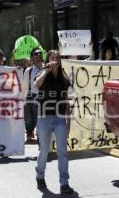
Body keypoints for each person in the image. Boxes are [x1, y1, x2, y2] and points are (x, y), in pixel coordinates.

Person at [34, 50, 74, 195]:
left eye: (57, 58)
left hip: (59, 117)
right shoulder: (43, 72)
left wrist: (68, 121)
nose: (55, 60)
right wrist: (47, 70)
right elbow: (37, 84)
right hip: (44, 117)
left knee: (62, 152)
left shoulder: (63, 77)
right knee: (44, 150)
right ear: (48, 59)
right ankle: (40, 175)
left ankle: (64, 183)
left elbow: (66, 100)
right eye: (52, 57)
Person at [23, 47, 44, 141]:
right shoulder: (28, 71)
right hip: (31, 96)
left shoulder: (47, 67)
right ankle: (29, 132)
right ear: (32, 57)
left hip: (44, 97)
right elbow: (25, 87)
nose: (39, 55)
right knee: (29, 118)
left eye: (40, 53)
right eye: (36, 54)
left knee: (40, 119)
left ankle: (41, 137)